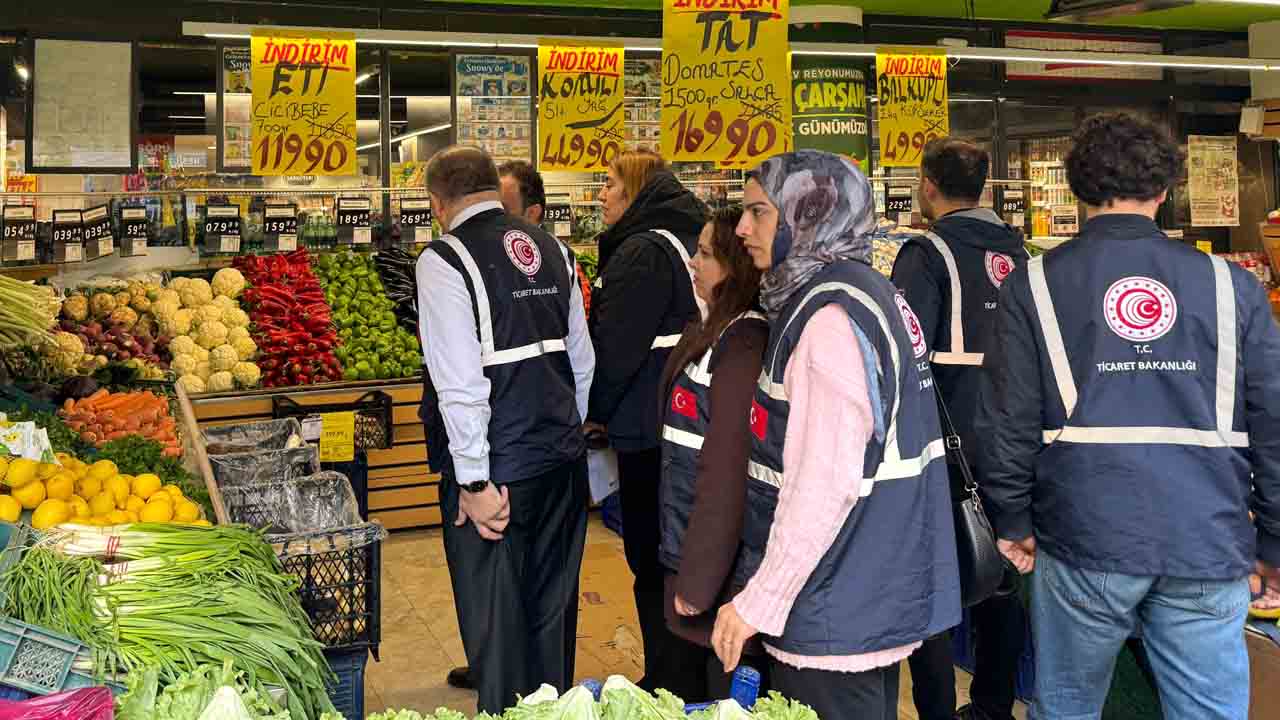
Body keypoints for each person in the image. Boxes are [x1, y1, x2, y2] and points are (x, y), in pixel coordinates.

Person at [976, 113, 1280, 720]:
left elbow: (1006, 421)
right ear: (1165, 189)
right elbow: (1273, 423)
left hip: (1083, 532)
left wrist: (1013, 518)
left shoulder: (1035, 285)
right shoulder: (1232, 286)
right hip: (1207, 535)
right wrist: (1273, 538)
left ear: (1079, 189)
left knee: (1068, 707)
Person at [711, 150, 961, 720]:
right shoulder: (866, 290)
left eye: (758, 212)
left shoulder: (828, 321)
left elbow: (823, 485)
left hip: (833, 602)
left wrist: (760, 600)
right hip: (867, 585)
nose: (742, 228)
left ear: (807, 215)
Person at [416, 146, 594, 714]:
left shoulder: (444, 260)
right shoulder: (555, 250)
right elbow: (581, 361)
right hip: (561, 463)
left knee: (499, 634)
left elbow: (459, 383)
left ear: (437, 202)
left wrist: (472, 482)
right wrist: (565, 433)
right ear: (494, 187)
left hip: (498, 476)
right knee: (552, 617)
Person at [891, 138, 1027, 720]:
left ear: (927, 185)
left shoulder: (926, 253)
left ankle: (938, 711)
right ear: (984, 186)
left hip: (947, 448)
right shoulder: (1019, 250)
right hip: (1015, 443)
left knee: (934, 584)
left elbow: (905, 351)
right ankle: (994, 705)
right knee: (1002, 577)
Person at [586, 149, 707, 691]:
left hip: (648, 422)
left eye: (610, 183)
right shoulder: (691, 235)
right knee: (684, 549)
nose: (602, 194)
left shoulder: (641, 251)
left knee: (650, 552)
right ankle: (690, 671)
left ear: (634, 190)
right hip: (691, 416)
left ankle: (668, 677)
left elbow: (615, 347)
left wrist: (594, 412)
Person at [658, 206, 768, 702]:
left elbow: (726, 473)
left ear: (734, 266)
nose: (692, 262)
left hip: (720, 574)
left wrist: (699, 579)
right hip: (689, 548)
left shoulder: (742, 343)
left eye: (704, 253)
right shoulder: (709, 328)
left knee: (723, 690)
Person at [499, 160, 593, 310]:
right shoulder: (493, 253)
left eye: (503, 211)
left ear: (532, 213)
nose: (494, 218)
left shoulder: (561, 259)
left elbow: (583, 311)